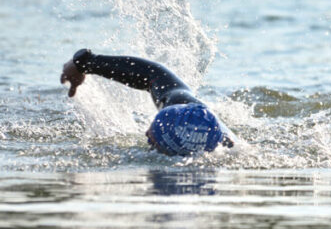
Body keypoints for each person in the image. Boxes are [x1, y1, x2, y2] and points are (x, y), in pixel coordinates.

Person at [60, 49, 235, 156]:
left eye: (153, 138)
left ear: (170, 146)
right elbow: (152, 74)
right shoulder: (185, 107)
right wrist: (85, 63)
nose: (146, 134)